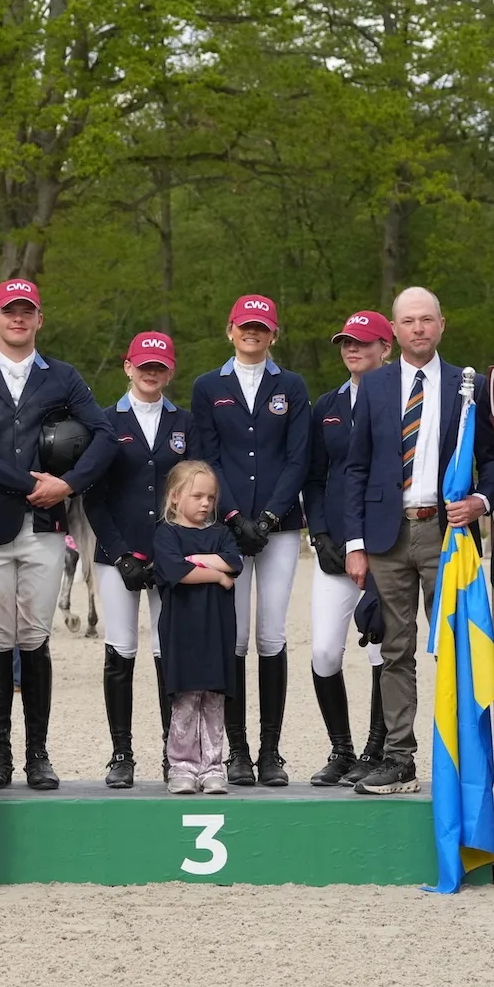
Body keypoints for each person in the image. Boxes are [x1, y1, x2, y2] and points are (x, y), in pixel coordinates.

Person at [0, 278, 114, 790]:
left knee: (35, 637)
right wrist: (30, 484)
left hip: (44, 526)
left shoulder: (62, 376)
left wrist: (69, 484)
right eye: (9, 310)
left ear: (39, 319)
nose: (18, 318)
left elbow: (105, 434)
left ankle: (38, 753)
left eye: (27, 311)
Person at [343, 287, 494, 795]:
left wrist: (481, 500)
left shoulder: (468, 386)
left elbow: (493, 460)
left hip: (447, 533)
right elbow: (356, 467)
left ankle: (463, 758)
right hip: (386, 534)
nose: (418, 328)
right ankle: (399, 758)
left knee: (454, 648)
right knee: (395, 649)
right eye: (409, 320)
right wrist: (354, 543)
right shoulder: (374, 386)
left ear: (441, 324)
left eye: (427, 319)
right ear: (394, 330)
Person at [188, 294, 311, 787]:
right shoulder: (208, 386)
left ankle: (271, 751)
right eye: (245, 326)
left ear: (273, 333)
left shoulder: (291, 385)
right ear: (230, 330)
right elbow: (208, 455)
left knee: (271, 635)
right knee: (235, 637)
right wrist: (236, 516)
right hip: (228, 527)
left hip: (279, 526)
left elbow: (298, 457)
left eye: (261, 327)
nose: (252, 333)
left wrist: (271, 515)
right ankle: (236, 750)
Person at [83, 331, 190, 787]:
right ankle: (121, 753)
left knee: (169, 653)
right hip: (117, 554)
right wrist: (121, 552)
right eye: (144, 365)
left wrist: (173, 548)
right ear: (128, 367)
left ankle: (174, 752)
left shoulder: (184, 423)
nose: (151, 372)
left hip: (170, 553)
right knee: (121, 649)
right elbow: (93, 495)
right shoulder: (105, 421)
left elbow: (194, 491)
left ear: (170, 371)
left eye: (159, 366)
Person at [299, 310, 392, 786]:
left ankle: (376, 750)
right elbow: (315, 477)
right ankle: (341, 748)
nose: (352, 349)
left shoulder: (401, 399)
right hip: (335, 547)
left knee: (381, 650)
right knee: (324, 652)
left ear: (386, 349)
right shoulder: (327, 406)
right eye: (346, 343)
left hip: (386, 549)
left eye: (363, 342)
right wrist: (319, 534)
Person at [153, 461, 244, 795]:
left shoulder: (220, 533)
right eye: (197, 496)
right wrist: (217, 575)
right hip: (182, 631)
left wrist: (196, 560)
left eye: (211, 497)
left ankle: (213, 766)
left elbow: (235, 562)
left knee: (214, 697)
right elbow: (177, 571)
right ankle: (182, 766)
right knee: (187, 698)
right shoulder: (166, 533)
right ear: (175, 497)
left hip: (217, 630)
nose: (206, 503)